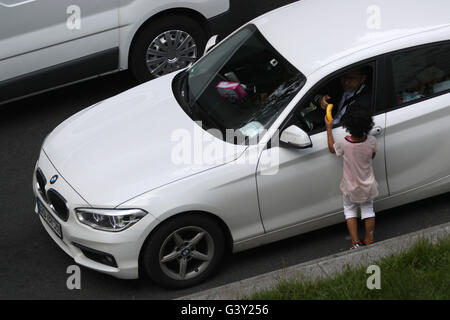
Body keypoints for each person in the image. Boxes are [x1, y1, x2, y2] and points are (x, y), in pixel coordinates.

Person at [325, 103, 380, 249]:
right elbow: (372, 155)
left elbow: (332, 149)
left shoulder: (344, 143)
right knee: (368, 210)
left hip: (350, 186)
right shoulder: (372, 142)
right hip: (367, 185)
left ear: (347, 125)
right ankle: (369, 239)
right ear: (368, 124)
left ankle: (355, 242)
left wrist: (329, 129)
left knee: (349, 211)